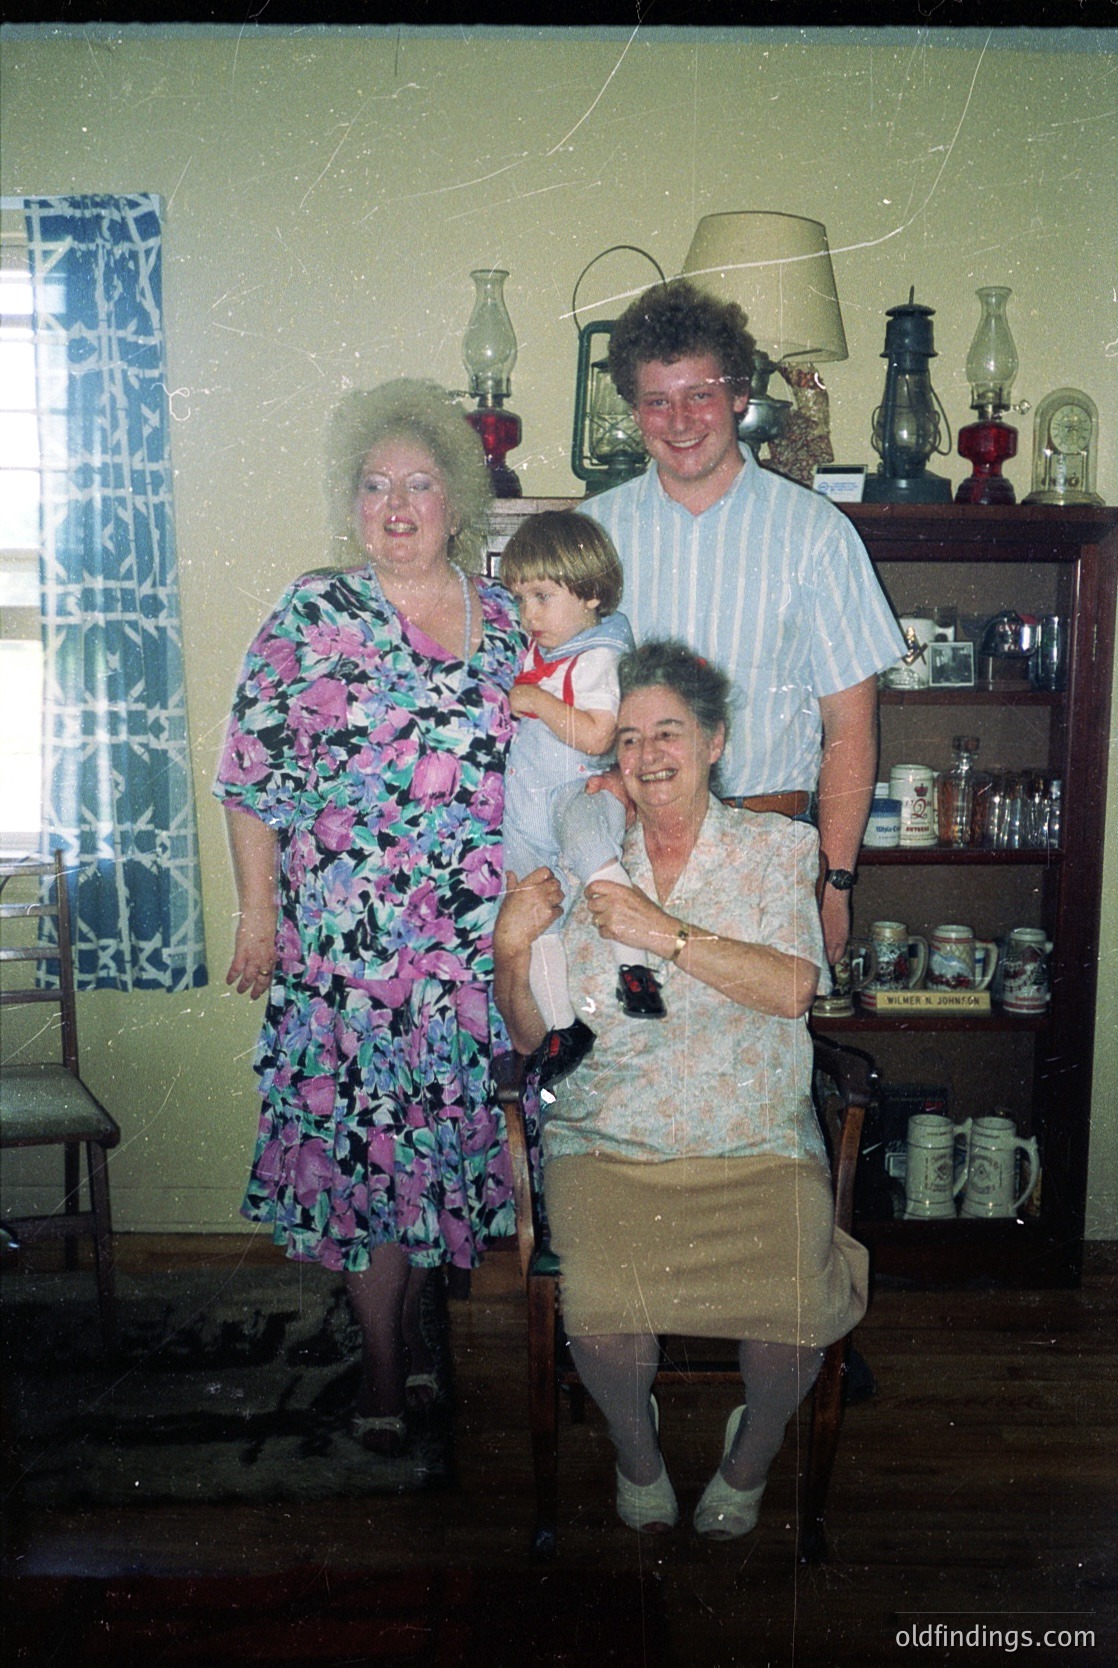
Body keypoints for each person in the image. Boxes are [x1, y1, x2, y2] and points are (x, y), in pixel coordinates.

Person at [493, 642, 868, 1538]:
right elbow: (535, 1039)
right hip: (611, 1140)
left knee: (796, 1318)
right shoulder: (582, 857)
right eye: (627, 739)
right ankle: (636, 1449)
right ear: (610, 757)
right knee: (606, 1318)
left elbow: (791, 988)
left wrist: (664, 933)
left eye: (670, 733)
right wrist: (510, 950)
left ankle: (752, 1453)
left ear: (713, 742)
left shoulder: (781, 848)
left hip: (755, 1140)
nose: (649, 755)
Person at [215, 379, 524, 1457]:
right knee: (365, 1172)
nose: (397, 507)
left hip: (476, 956)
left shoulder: (510, 625)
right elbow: (248, 775)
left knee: (442, 1160)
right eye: (374, 486)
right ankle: (385, 1369)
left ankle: (423, 1328)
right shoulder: (312, 613)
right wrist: (258, 911)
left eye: (420, 485)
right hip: (346, 957)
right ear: (352, 504)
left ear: (457, 501)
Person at [580, 279, 906, 965]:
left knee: (757, 1065)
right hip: (626, 853)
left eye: (699, 395)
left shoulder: (816, 534)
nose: (680, 421)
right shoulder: (593, 535)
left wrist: (836, 883)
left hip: (769, 847)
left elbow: (849, 726)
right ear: (635, 412)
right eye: (656, 401)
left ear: (738, 395)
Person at [500, 511, 663, 1088]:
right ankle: (563, 1027)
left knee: (595, 856)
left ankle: (635, 968)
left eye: (542, 597)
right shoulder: (545, 651)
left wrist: (538, 704)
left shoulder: (596, 656)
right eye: (520, 599)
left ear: (591, 594)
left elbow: (597, 734)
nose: (528, 615)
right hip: (528, 807)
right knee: (535, 919)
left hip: (577, 788)